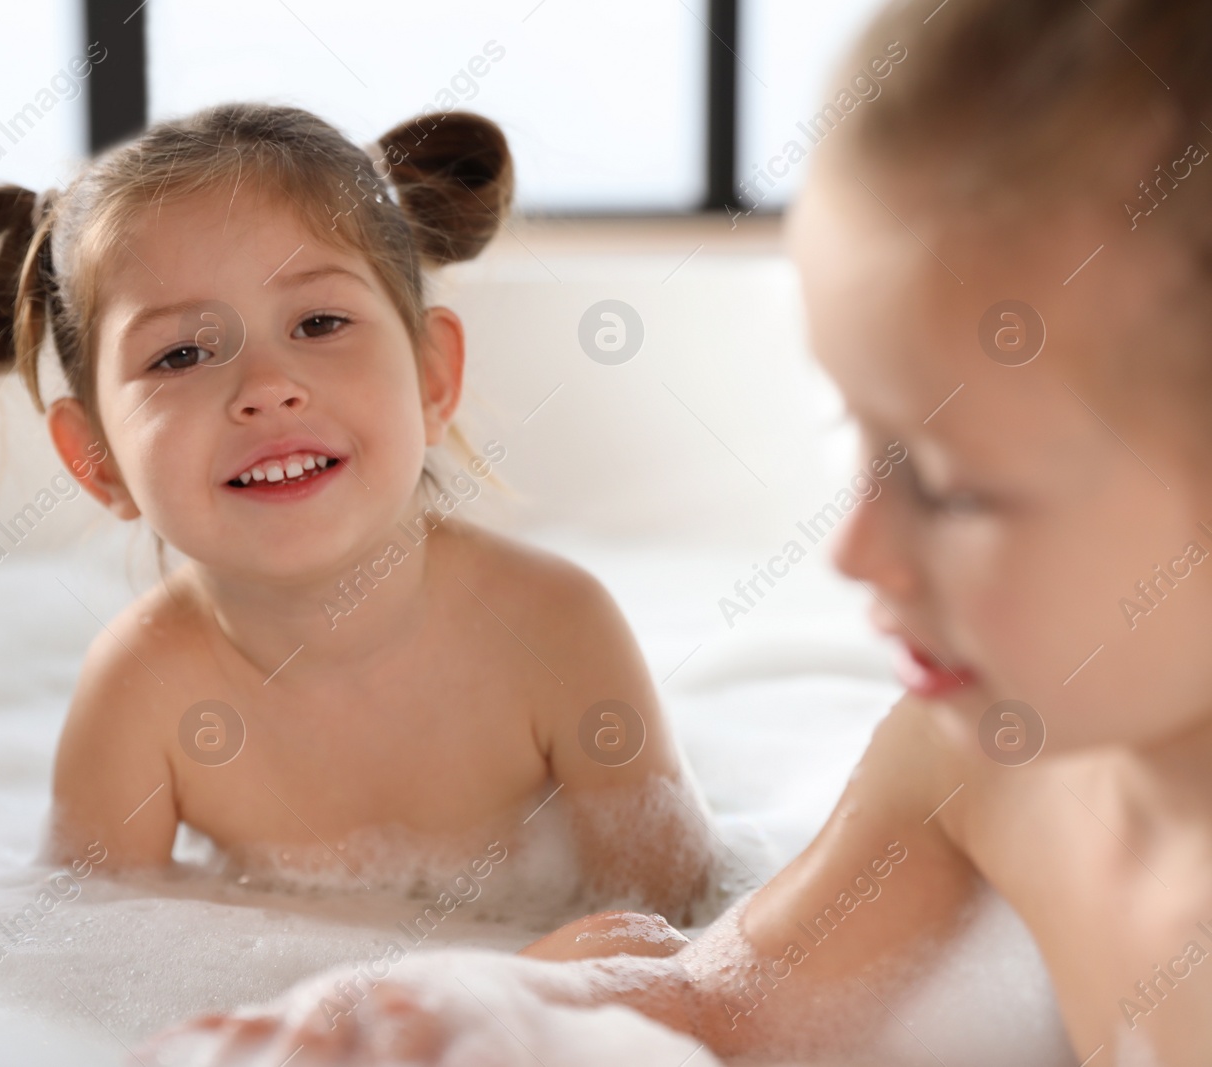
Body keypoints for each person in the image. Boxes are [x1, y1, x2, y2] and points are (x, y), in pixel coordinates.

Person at [143, 1, 1212, 1063]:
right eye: (859, 431)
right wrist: (454, 1003)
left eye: (953, 486)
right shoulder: (971, 756)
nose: (853, 550)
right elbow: (725, 1001)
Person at [0, 103, 716, 916]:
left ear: (433, 376)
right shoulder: (142, 693)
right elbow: (81, 968)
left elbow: (673, 937)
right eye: (181, 353)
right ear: (96, 459)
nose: (264, 387)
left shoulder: (555, 630)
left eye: (319, 321)